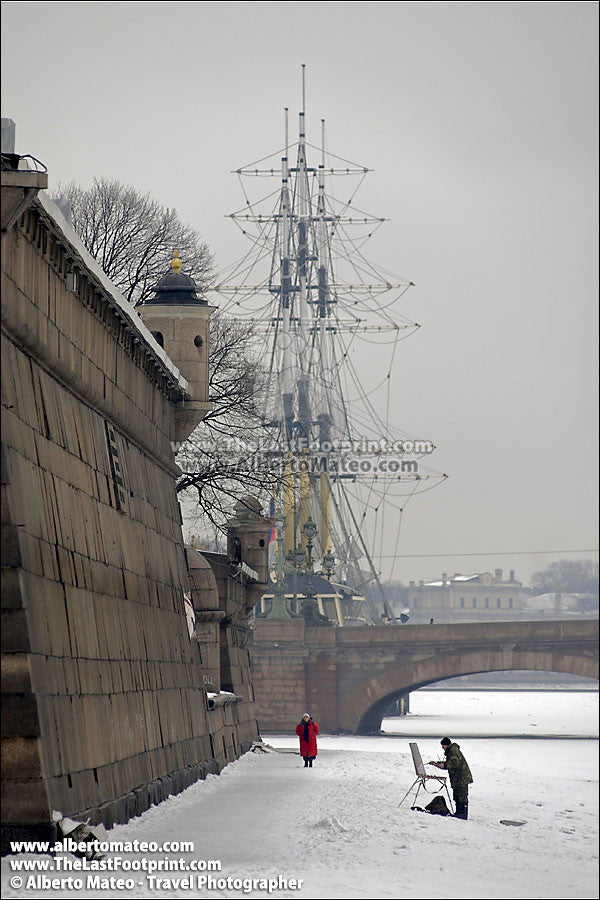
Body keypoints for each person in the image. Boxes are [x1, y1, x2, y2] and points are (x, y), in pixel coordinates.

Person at [429, 737, 473, 819]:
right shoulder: (451, 750)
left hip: (461, 778)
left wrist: (444, 765)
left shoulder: (453, 750)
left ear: (446, 744)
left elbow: (455, 762)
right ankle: (458, 813)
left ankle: (462, 814)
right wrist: (437, 763)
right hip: (457, 778)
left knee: (461, 796)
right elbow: (451, 762)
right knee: (457, 796)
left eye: (443, 745)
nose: (442, 748)